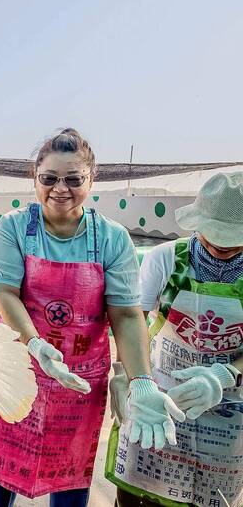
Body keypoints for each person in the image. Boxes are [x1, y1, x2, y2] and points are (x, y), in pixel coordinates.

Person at [0, 128, 185, 507]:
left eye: (73, 179)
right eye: (48, 179)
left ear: (91, 179)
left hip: (77, 380)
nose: (59, 189)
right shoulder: (14, 228)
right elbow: (4, 293)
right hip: (17, 366)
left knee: (69, 477)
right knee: (1, 476)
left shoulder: (112, 238)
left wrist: (141, 380)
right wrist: (35, 344)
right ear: (36, 179)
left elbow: (127, 315)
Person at [108, 172, 243, 507]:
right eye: (211, 239)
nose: (218, 248)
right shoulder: (165, 258)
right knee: (139, 489)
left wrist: (226, 375)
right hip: (157, 395)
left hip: (225, 410)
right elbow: (133, 317)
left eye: (231, 243)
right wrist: (127, 377)